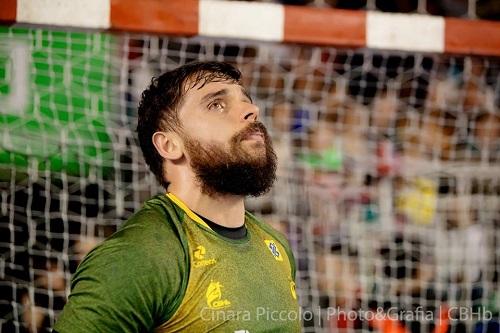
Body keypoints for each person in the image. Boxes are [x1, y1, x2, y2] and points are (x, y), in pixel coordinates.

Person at [53, 61, 300, 332]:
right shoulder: (138, 257)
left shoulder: (275, 244)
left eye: (246, 100)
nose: (252, 110)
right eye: (216, 104)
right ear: (170, 145)